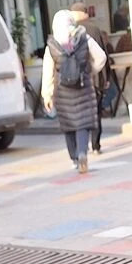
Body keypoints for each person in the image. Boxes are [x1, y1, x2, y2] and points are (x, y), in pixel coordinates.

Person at [42, 10, 106, 174]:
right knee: (83, 124)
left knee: (69, 124)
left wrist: (47, 94)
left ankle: (75, 158)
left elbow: (47, 72)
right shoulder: (84, 38)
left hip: (62, 90)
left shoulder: (52, 45)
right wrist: (90, 71)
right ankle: (83, 153)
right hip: (83, 87)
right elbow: (101, 57)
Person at [70, 2, 110, 154]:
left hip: (75, 78)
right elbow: (103, 54)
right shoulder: (94, 29)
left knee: (80, 113)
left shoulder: (69, 31)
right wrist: (106, 77)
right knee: (96, 112)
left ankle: (82, 145)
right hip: (95, 78)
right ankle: (95, 144)